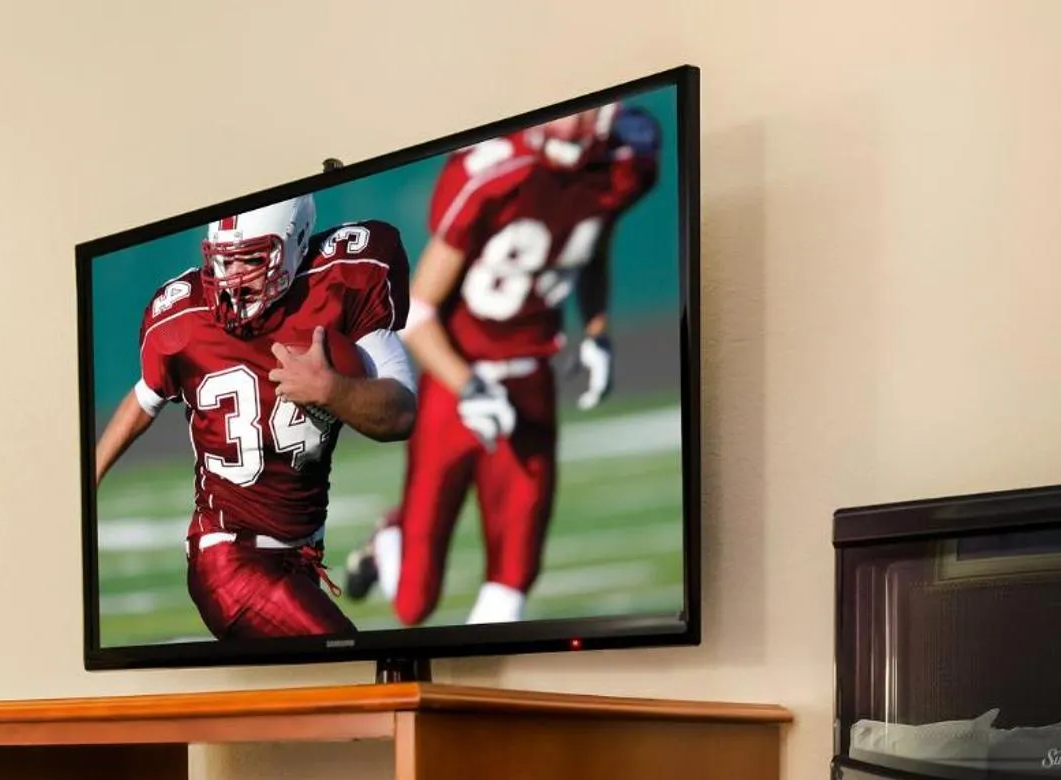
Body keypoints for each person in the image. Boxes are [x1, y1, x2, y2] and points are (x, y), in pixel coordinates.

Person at [344, 101, 660, 625]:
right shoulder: (492, 171)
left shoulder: (628, 159)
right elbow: (416, 312)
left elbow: (588, 241)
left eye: (589, 110)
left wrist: (597, 332)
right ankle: (391, 539)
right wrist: (470, 388)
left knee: (513, 583)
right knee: (412, 606)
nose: (571, 123)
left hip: (531, 378)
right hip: (457, 379)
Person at [94, 197, 414, 639]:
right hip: (228, 559)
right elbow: (144, 397)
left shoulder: (343, 280)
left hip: (296, 557)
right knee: (350, 666)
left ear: (296, 243)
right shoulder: (184, 317)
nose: (233, 277)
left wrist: (330, 391)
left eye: (251, 258)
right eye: (223, 261)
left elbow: (402, 412)